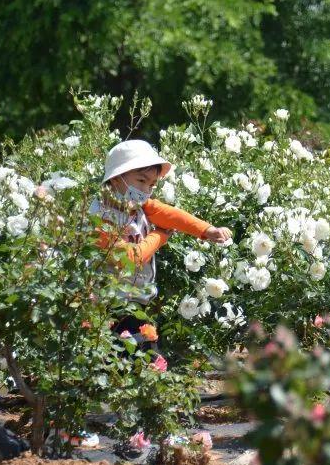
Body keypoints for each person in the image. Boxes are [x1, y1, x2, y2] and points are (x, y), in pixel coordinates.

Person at [93, 140, 232, 342]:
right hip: (106, 305)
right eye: (141, 181)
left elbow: (170, 215)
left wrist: (207, 230)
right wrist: (160, 236)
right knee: (131, 360)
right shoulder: (100, 217)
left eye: (151, 184)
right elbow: (130, 258)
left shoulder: (136, 203)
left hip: (133, 301)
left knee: (142, 359)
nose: (146, 190)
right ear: (116, 179)